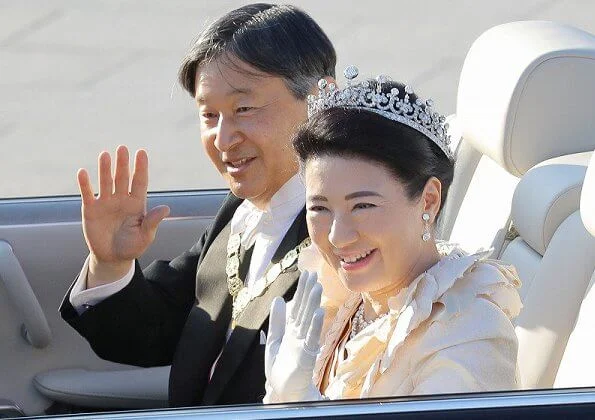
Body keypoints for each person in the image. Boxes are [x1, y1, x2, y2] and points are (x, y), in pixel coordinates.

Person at [59, 3, 336, 407]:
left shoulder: (345, 233)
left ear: (319, 97)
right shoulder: (238, 211)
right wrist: (112, 263)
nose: (223, 139)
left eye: (243, 109)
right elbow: (154, 334)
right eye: (209, 115)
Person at [264, 67, 523, 402]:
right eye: (320, 208)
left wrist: (303, 404)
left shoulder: (468, 331)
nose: (338, 238)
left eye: (363, 206)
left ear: (428, 199)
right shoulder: (346, 295)